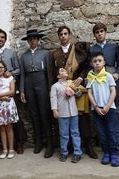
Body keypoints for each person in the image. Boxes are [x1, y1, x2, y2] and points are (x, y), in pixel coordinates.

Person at [49, 26, 97, 159]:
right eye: (61, 34)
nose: (63, 36)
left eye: (65, 34)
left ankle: (87, 146)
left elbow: (86, 65)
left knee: (83, 118)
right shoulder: (54, 53)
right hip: (62, 89)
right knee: (64, 122)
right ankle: (67, 149)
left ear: (70, 35)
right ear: (58, 37)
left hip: (77, 87)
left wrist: (81, 78)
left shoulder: (78, 49)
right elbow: (52, 73)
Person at [90, 22, 119, 161]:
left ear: (105, 32)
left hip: (112, 77)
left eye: (102, 31)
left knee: (118, 114)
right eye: (97, 32)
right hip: (97, 79)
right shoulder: (92, 49)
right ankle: (108, 150)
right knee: (102, 117)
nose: (100, 34)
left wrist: (117, 74)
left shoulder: (113, 47)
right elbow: (88, 65)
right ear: (94, 35)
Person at [0, 29, 27, 155]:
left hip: (9, 90)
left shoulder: (11, 53)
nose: (0, 39)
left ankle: (18, 142)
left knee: (13, 119)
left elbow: (18, 69)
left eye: (2, 37)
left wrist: (11, 73)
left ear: (5, 39)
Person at [20, 29, 54, 158]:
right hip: (29, 84)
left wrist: (49, 88)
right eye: (30, 39)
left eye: (35, 38)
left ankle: (49, 143)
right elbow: (22, 74)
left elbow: (49, 73)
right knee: (33, 113)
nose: (33, 41)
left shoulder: (45, 53)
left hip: (42, 83)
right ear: (28, 41)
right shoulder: (24, 56)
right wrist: (22, 90)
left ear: (38, 40)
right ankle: (38, 141)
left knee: (44, 112)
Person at [86, 52, 119, 167]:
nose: (97, 63)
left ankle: (114, 154)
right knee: (102, 132)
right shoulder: (90, 76)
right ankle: (106, 153)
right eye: (95, 61)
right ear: (92, 63)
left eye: (99, 61)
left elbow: (113, 91)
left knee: (112, 131)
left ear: (104, 62)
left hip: (109, 108)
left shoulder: (108, 76)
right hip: (96, 109)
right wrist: (95, 106)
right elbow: (89, 93)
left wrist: (107, 106)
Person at [50, 68, 82, 163]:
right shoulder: (55, 86)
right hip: (62, 113)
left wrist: (75, 90)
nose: (65, 72)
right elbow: (53, 98)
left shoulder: (72, 83)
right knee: (64, 134)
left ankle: (77, 152)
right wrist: (54, 110)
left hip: (73, 112)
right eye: (62, 71)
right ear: (58, 76)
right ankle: (64, 152)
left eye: (65, 71)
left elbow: (79, 94)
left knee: (75, 133)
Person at [0, 60, 19, 159]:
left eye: (1, 67)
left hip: (8, 104)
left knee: (9, 127)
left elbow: (12, 91)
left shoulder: (10, 78)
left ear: (5, 68)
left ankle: (11, 148)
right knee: (2, 127)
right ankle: (4, 149)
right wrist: (1, 98)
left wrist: (0, 95)